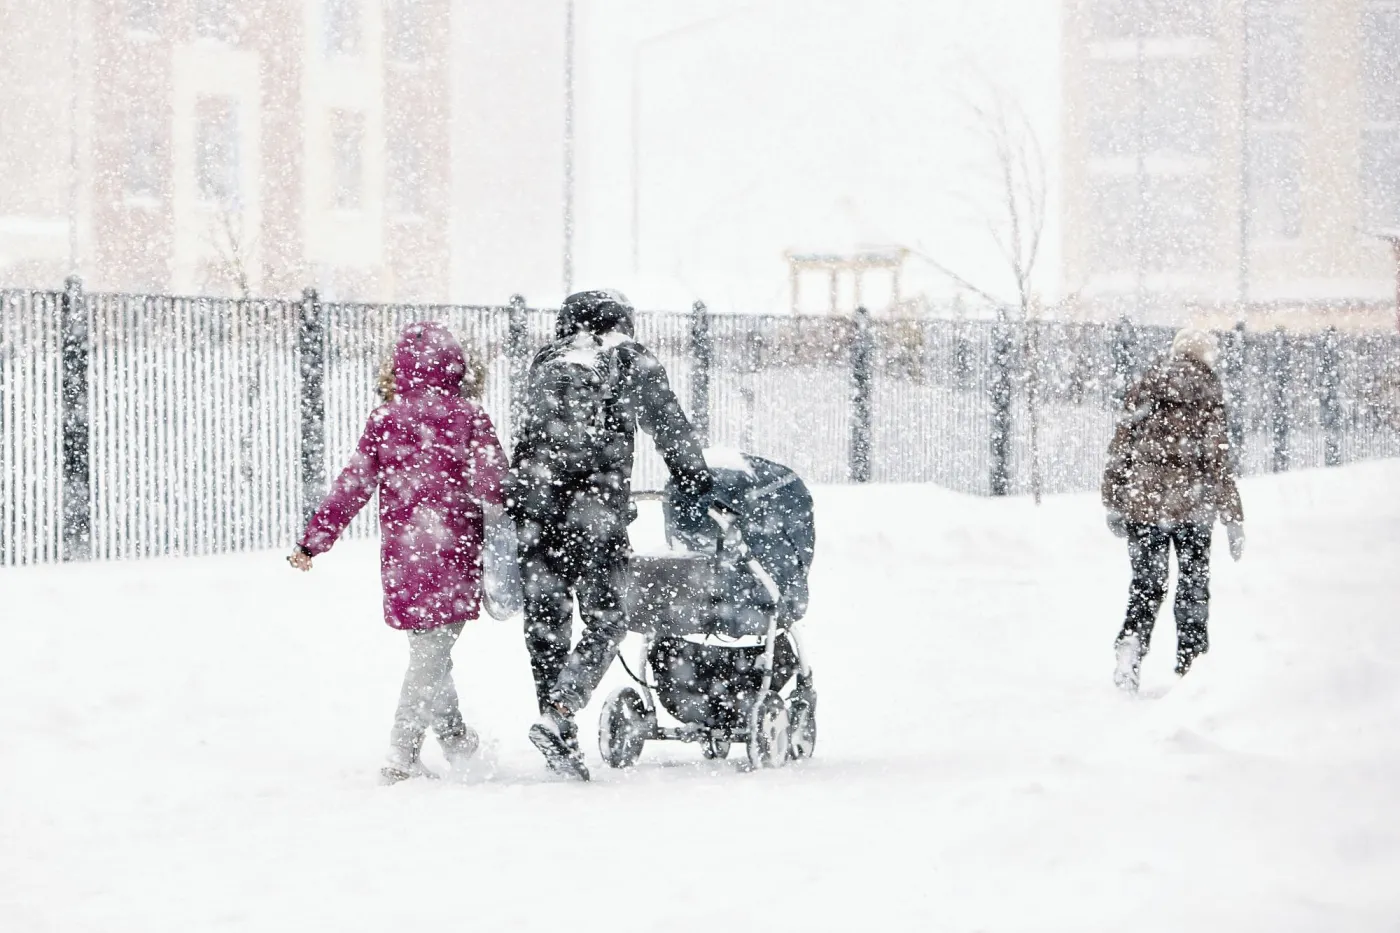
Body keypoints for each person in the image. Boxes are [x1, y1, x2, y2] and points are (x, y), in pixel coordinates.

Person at [288, 322, 507, 784]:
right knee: (431, 653)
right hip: (454, 550)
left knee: (430, 651)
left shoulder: (385, 419)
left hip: (406, 556)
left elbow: (353, 485)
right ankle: (401, 756)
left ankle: (456, 740)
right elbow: (495, 486)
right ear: (456, 365)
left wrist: (315, 539)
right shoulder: (469, 416)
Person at [507, 289, 712, 779]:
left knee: (546, 624)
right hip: (595, 513)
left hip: (536, 510)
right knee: (609, 617)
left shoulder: (547, 359)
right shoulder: (630, 358)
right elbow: (669, 424)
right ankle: (560, 712)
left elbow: (530, 436)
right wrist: (694, 477)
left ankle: (555, 724)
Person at [1101, 327, 1245, 692]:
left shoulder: (1146, 384)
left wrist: (1114, 499)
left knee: (1147, 585)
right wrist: (1233, 518)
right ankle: (1192, 667)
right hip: (1191, 508)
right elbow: (1218, 459)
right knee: (1193, 586)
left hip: (1143, 505)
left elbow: (1121, 446)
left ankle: (1131, 646)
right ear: (1206, 356)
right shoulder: (1208, 392)